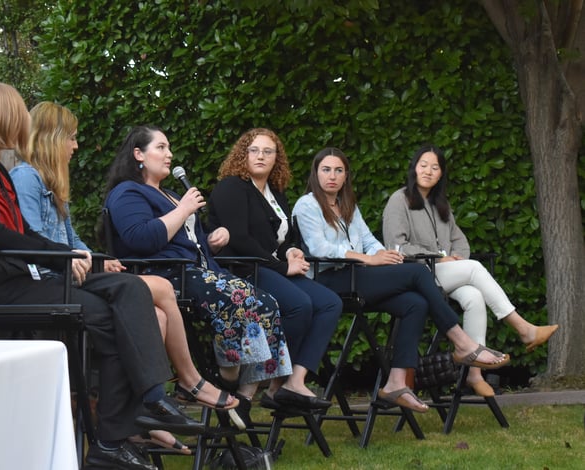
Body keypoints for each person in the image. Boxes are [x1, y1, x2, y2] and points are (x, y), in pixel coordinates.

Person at [0, 82, 202, 470]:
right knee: (114, 319)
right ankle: (112, 442)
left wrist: (74, 254)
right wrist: (62, 256)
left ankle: (152, 398)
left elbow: (22, 233)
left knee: (130, 288)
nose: (21, 122)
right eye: (16, 113)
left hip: (24, 277)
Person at [10, 102, 237, 453]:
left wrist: (103, 261)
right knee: (159, 288)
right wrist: (78, 261)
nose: (75, 145)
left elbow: (72, 240)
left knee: (158, 314)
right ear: (51, 138)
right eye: (70, 137)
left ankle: (138, 418)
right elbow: (34, 240)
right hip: (53, 279)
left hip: (74, 273)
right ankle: (185, 384)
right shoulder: (26, 177)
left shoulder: (53, 183)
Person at [103, 125, 302, 427]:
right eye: (161, 148)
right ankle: (225, 377)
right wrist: (183, 210)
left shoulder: (169, 194)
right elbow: (141, 239)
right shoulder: (127, 193)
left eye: (169, 148)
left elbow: (185, 241)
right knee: (239, 299)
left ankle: (244, 397)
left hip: (198, 272)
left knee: (266, 303)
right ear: (138, 154)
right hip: (167, 276)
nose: (169, 154)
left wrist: (211, 240)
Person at [293, 147, 513, 412]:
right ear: (315, 173)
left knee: (415, 303)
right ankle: (463, 343)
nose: (332, 176)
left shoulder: (347, 204)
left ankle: (396, 382)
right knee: (418, 272)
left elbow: (368, 240)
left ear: (346, 176)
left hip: (356, 275)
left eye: (339, 170)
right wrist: (367, 259)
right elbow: (318, 248)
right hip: (329, 280)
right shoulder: (307, 204)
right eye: (326, 170)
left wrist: (382, 254)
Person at [382, 144, 558, 396]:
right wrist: (439, 258)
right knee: (474, 268)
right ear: (414, 168)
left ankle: (475, 375)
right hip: (417, 274)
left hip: (443, 273)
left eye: (435, 167)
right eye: (423, 165)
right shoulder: (399, 200)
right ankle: (523, 329)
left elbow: (460, 241)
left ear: (441, 174)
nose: (428, 171)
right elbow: (396, 246)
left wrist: (456, 259)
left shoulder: (440, 204)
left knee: (474, 297)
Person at [209, 128, 342, 410]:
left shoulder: (275, 192)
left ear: (276, 159)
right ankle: (257, 383)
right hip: (243, 268)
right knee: (299, 305)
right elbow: (241, 239)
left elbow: (282, 239)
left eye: (268, 152)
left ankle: (292, 382)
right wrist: (283, 266)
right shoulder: (232, 187)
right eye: (254, 150)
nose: (261, 156)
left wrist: (291, 251)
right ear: (242, 154)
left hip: (271, 267)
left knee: (330, 303)